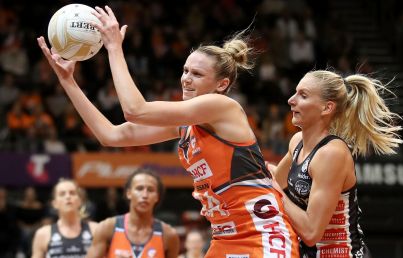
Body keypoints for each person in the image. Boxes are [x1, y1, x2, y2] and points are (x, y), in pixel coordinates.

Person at [37, 5, 299, 257]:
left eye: (196, 74)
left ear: (222, 84)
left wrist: (114, 48)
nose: (186, 78)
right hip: (224, 236)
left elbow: (134, 110)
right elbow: (111, 136)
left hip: (262, 232)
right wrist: (67, 81)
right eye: (185, 70)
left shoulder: (222, 107)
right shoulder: (184, 123)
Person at [269, 70, 403, 258]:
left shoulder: (331, 154)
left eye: (303, 95)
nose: (291, 100)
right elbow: (275, 179)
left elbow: (311, 232)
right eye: (295, 92)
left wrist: (273, 188)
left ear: (327, 108)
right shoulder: (297, 141)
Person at [86, 168, 180, 258]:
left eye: (150, 190)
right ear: (129, 193)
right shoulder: (108, 228)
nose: (144, 195)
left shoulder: (169, 235)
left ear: (157, 197)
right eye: (139, 189)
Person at [31, 179, 98, 258]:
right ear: (55, 203)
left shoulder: (96, 230)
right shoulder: (43, 234)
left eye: (72, 193)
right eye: (62, 194)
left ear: (80, 201)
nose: (68, 196)